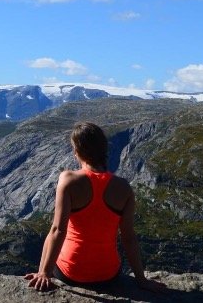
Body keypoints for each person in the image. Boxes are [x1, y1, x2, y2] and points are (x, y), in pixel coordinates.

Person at [24, 121, 167, 292]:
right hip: (108, 275)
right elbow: (129, 238)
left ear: (77, 151)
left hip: (70, 272)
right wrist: (141, 280)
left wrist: (44, 273)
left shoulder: (68, 179)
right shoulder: (124, 187)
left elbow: (57, 230)